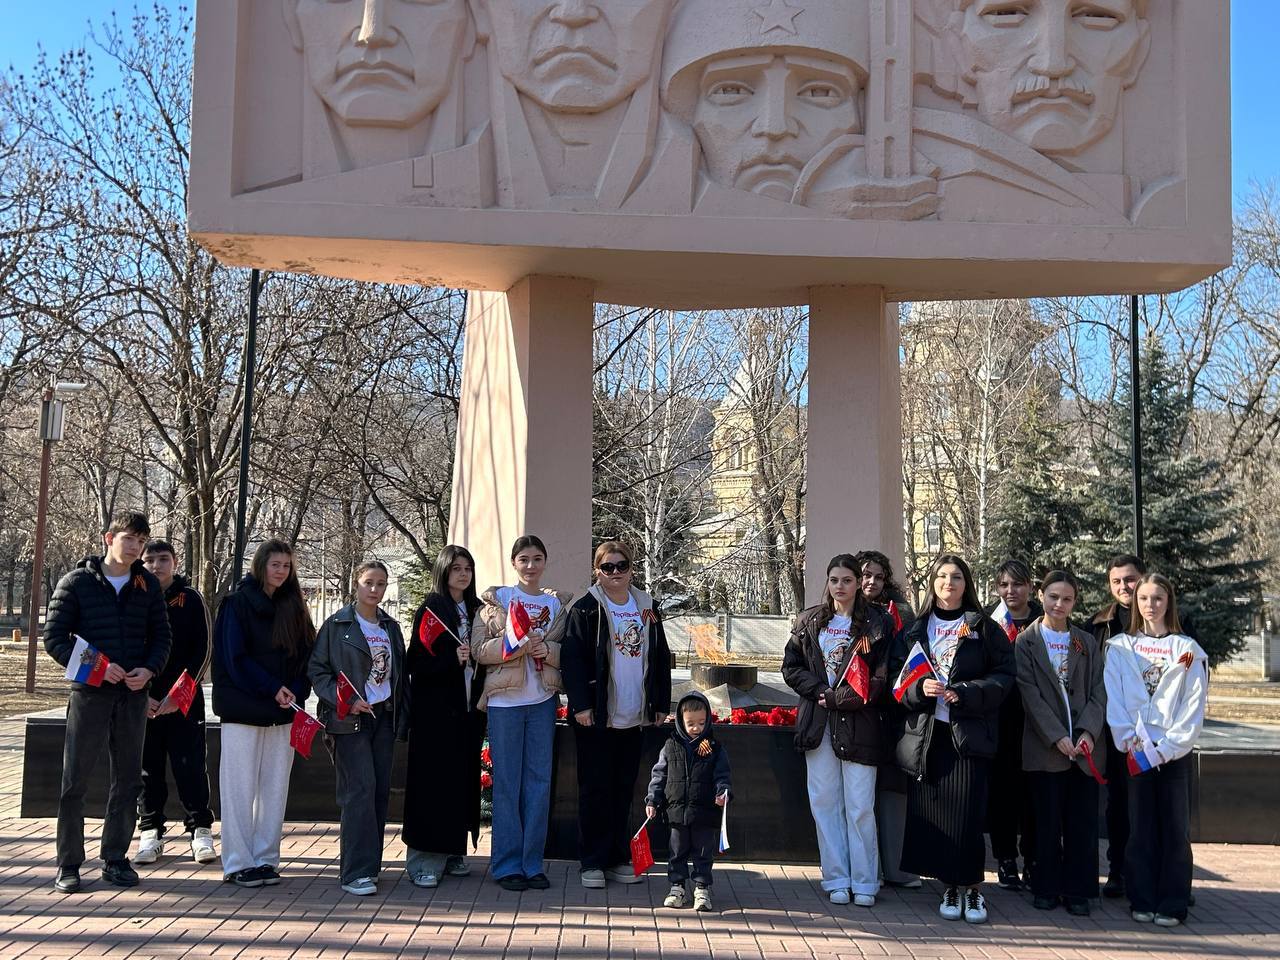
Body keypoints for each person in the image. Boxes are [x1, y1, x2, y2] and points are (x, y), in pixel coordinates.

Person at [43, 511, 173, 894]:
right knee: (75, 781)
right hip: (90, 694)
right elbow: (55, 638)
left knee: (129, 779)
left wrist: (148, 671)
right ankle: (68, 863)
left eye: (141, 540)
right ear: (108, 538)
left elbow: (161, 638)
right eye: (129, 538)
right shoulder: (77, 582)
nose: (135, 546)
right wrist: (97, 668)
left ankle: (115, 859)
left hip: (133, 697)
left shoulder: (147, 585)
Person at [891, 554, 1014, 924]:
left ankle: (973, 889)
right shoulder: (914, 630)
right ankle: (949, 884)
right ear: (932, 583)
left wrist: (967, 692)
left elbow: (1005, 676)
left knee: (969, 815)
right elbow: (896, 684)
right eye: (942, 576)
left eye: (957, 576)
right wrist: (919, 691)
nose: (949, 582)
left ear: (967, 584)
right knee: (938, 815)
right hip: (928, 737)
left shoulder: (983, 628)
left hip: (968, 734)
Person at [783, 554, 894, 907]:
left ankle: (864, 880)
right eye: (834, 580)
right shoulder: (810, 622)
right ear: (827, 582)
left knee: (860, 805)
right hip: (818, 724)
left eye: (847, 580)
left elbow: (880, 676)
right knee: (825, 803)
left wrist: (842, 699)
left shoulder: (876, 624)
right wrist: (821, 693)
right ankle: (836, 878)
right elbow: (791, 666)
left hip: (859, 724)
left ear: (857, 584)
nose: (840, 586)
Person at [561, 540, 672, 889]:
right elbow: (572, 660)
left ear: (631, 568)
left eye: (621, 565)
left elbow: (660, 656)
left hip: (633, 715)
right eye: (607, 567)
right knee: (595, 789)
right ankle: (591, 861)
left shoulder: (647, 606)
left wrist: (658, 704)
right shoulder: (586, 609)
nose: (615, 573)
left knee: (624, 789)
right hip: (597, 715)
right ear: (597, 570)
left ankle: (617, 858)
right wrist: (581, 705)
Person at [1104, 573, 1207, 928]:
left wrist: (1169, 747)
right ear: (1136, 602)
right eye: (1144, 598)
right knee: (1141, 827)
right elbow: (1114, 700)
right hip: (1136, 751)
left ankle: (1173, 902)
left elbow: (1193, 707)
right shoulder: (1119, 647)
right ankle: (1142, 898)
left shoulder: (1188, 650)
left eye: (1158, 598)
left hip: (1173, 754)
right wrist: (1127, 739)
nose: (1150, 605)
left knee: (1175, 829)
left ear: (1169, 602)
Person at [211, 538, 315, 888]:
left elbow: (305, 656)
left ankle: (266, 859)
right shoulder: (236, 604)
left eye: (287, 566)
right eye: (275, 565)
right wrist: (271, 687)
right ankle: (238, 862)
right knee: (239, 788)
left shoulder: (295, 607)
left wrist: (297, 691)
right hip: (244, 709)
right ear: (261, 565)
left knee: (274, 788)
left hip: (284, 711)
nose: (281, 572)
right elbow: (234, 658)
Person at [475, 535, 573, 892]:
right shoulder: (496, 602)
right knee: (507, 786)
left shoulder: (556, 606)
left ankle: (533, 863)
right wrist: (512, 646)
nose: (530, 566)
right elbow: (479, 650)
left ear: (544, 562)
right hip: (505, 704)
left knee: (539, 784)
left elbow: (568, 653)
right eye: (524, 559)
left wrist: (547, 649)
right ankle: (506, 864)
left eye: (537, 559)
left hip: (542, 702)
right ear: (513, 563)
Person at [309, 560, 409, 897]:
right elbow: (318, 671)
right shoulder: (338, 625)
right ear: (357, 583)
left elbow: (399, 675)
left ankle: (371, 866)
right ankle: (354, 872)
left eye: (381, 584)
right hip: (348, 719)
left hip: (383, 717)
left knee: (379, 791)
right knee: (359, 790)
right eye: (369, 582)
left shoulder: (390, 628)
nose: (375, 589)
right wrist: (348, 700)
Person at [1015, 570, 1106, 916]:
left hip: (1084, 751)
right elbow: (1030, 695)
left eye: (1067, 599)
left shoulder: (1086, 641)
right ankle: (1046, 886)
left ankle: (1080, 890)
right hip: (1046, 749)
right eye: (1053, 596)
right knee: (1047, 822)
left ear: (1074, 602)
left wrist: (1086, 733)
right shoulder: (1026, 641)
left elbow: (1099, 691)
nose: (1059, 604)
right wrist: (1057, 737)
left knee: (1081, 823)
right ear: (1041, 595)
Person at [402, 545, 486, 888]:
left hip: (469, 712)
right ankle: (423, 858)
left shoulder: (479, 610)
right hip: (436, 714)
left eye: (467, 568)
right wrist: (452, 659)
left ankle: (453, 851)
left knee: (461, 782)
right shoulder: (432, 610)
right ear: (443, 572)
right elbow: (415, 663)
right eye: (455, 569)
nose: (462, 574)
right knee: (432, 785)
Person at [134, 540, 216, 867]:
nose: (157, 565)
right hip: (143, 702)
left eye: (163, 559)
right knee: (147, 769)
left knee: (190, 767)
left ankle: (201, 831)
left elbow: (203, 650)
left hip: (183, 702)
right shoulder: (134, 597)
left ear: (176, 562)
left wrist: (178, 694)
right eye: (150, 559)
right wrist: (143, 696)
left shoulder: (191, 599)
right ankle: (151, 832)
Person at [853, 550, 920, 890]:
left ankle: (897, 867)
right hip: (855, 712)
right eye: (865, 575)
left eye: (878, 577)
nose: (871, 583)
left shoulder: (901, 614)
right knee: (859, 797)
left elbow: (909, 659)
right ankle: (866, 868)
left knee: (893, 791)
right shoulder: (845, 610)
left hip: (891, 712)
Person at [985, 559, 1043, 892]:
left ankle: (1033, 858)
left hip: (1037, 722)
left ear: (1030, 588)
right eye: (1005, 585)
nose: (1011, 591)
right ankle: (1005, 859)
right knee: (1003, 795)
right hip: (1001, 721)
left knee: (1033, 795)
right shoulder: (990, 623)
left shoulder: (1045, 620)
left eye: (1018, 585)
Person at [1088, 552, 1144, 898]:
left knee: (1160, 804)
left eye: (1130, 579)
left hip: (1157, 733)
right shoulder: (1099, 625)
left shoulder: (1167, 619)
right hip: (1115, 730)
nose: (1124, 586)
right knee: (1119, 802)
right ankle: (1119, 871)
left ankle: (1166, 873)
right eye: (1117, 581)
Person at [645, 691, 732, 912]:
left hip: (704, 811)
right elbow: (659, 775)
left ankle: (702, 888)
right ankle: (677, 886)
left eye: (701, 723)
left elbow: (723, 776)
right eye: (690, 723)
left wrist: (723, 792)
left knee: (703, 852)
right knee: (677, 852)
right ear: (681, 723)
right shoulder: (671, 746)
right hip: (676, 810)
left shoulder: (714, 748)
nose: (696, 728)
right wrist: (652, 800)